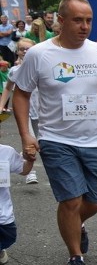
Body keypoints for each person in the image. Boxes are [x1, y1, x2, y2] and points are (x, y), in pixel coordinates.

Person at [13, 0, 97, 265]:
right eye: (77, 20)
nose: (84, 26)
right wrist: (26, 134)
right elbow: (21, 93)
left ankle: (76, 224)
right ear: (60, 21)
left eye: (88, 20)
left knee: (95, 201)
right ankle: (76, 255)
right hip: (56, 139)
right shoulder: (40, 53)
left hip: (95, 138)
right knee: (71, 200)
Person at [0, 39, 38, 184]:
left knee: (41, 140)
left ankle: (25, 159)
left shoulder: (40, 68)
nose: (25, 51)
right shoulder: (15, 70)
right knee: (30, 139)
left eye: (28, 49)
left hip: (42, 112)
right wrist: (1, 105)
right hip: (25, 112)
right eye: (22, 49)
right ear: (17, 52)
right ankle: (30, 171)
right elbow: (8, 88)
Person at [0, 139, 34, 265]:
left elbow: (23, 169)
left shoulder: (6, 152)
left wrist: (29, 159)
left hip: (3, 216)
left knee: (9, 236)